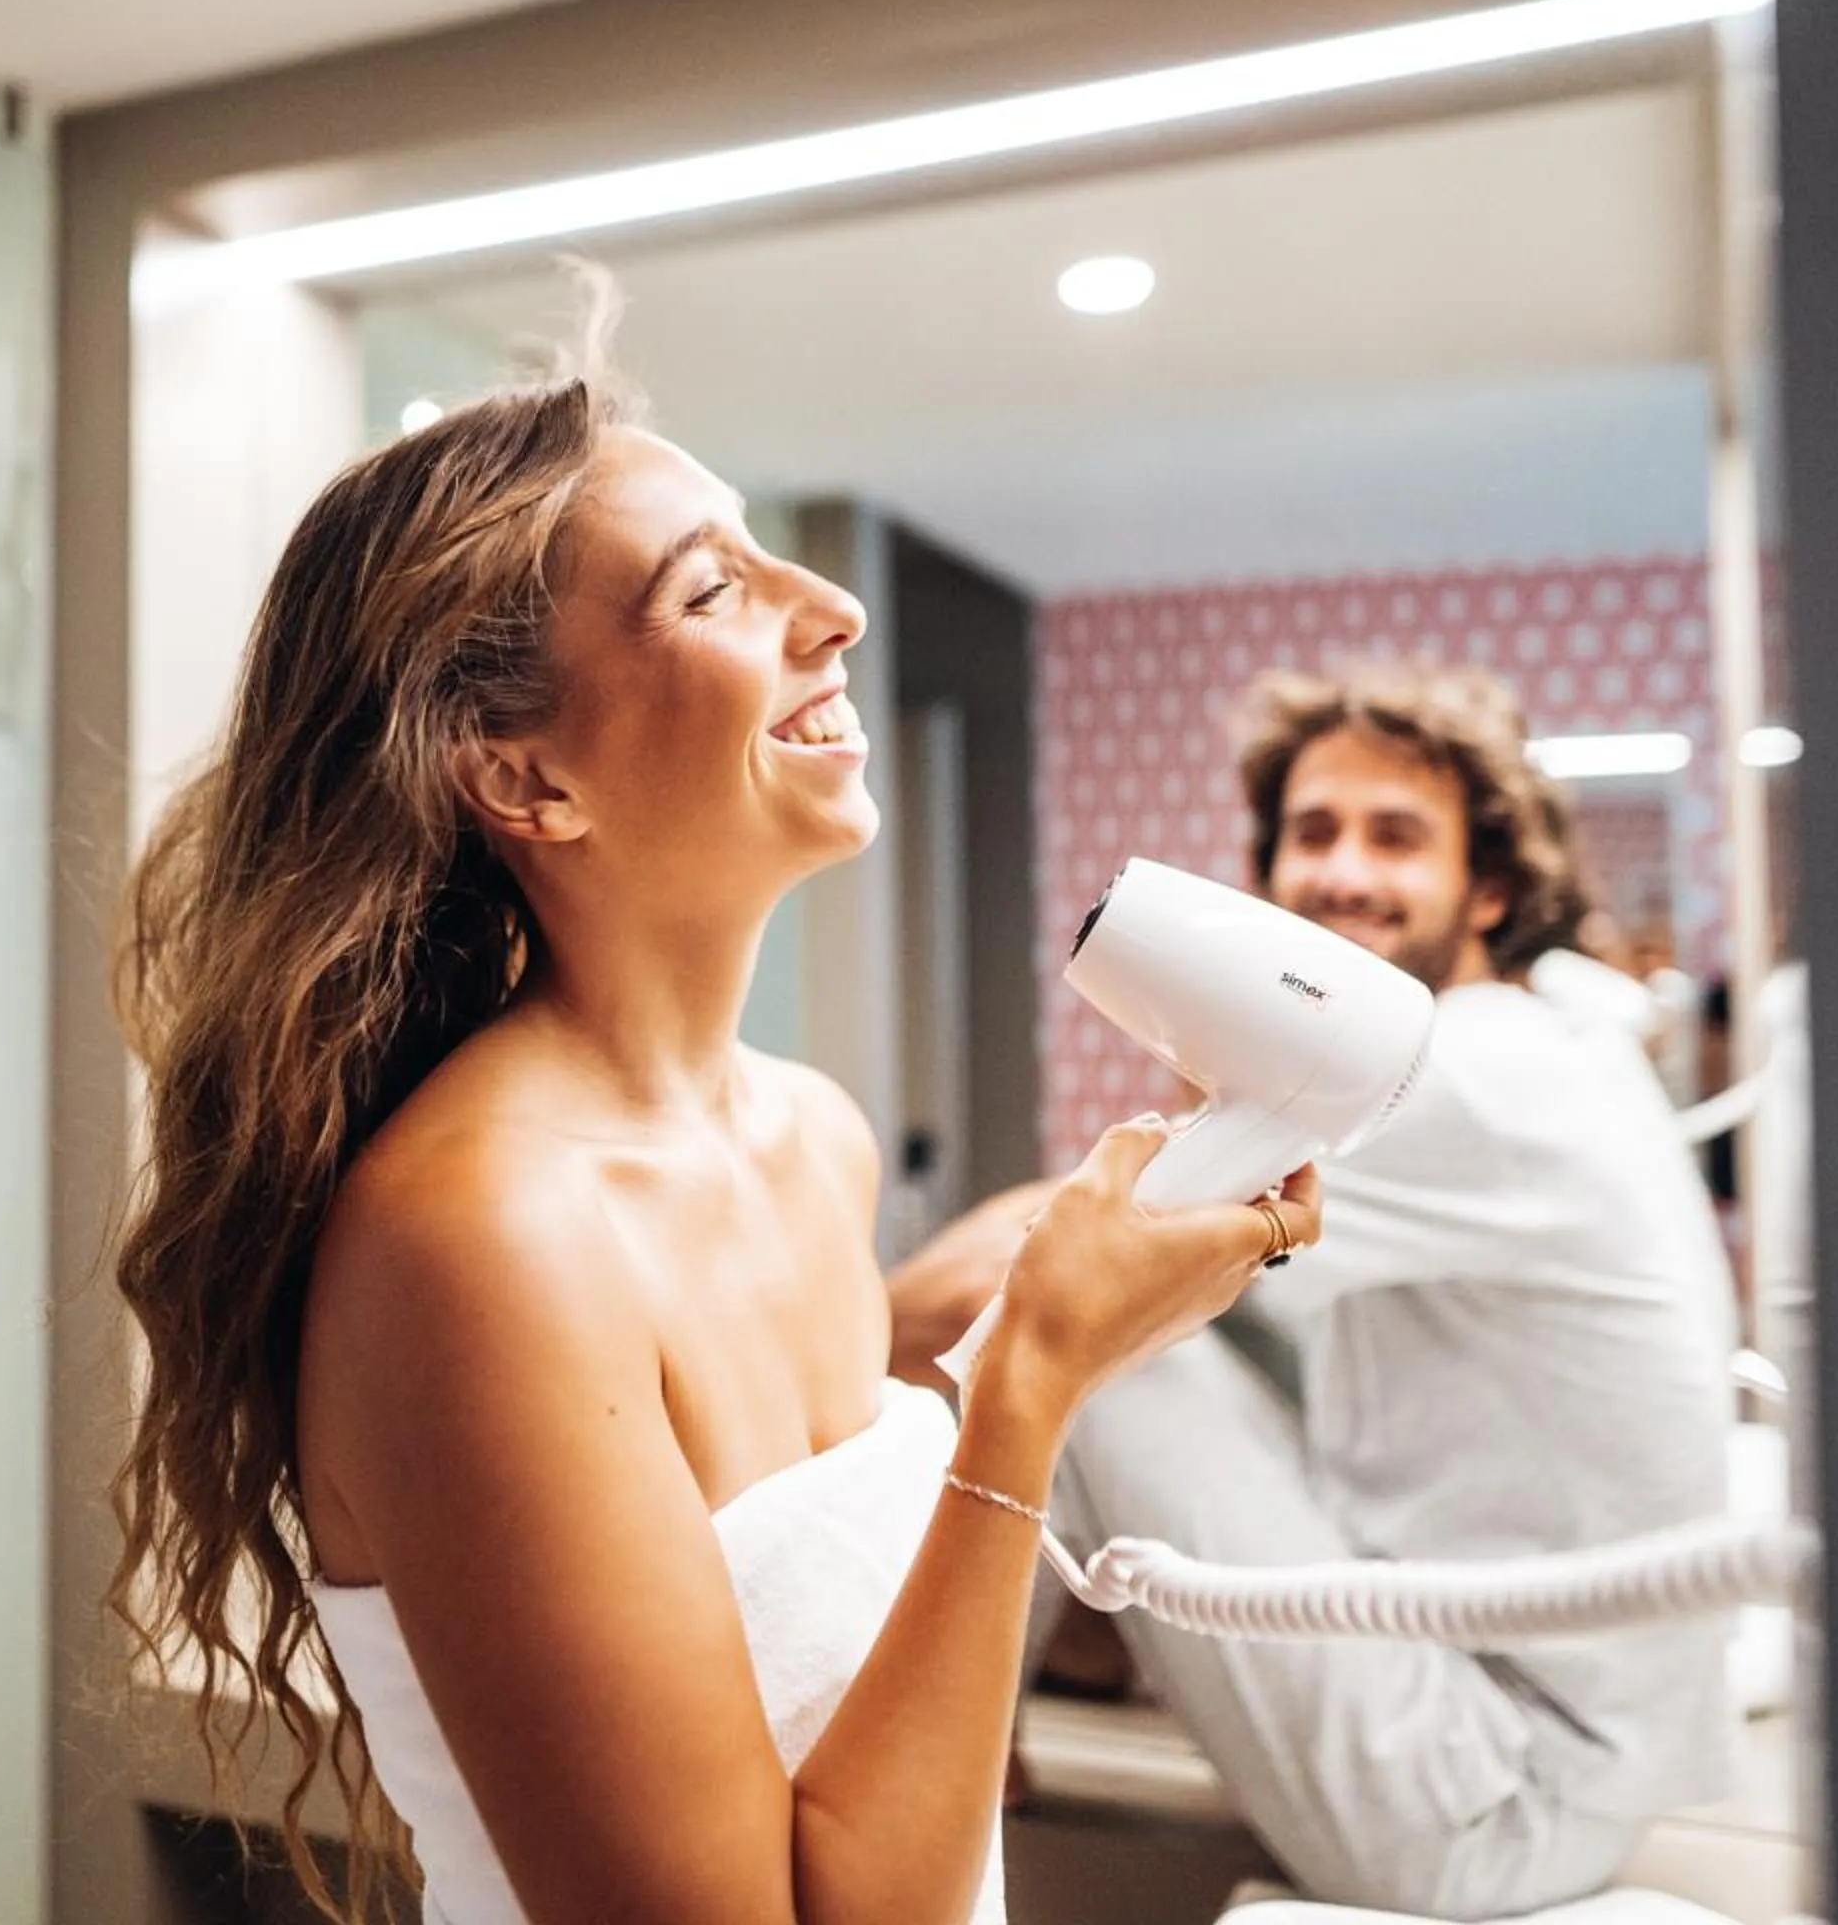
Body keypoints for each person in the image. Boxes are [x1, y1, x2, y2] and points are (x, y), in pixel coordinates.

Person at [106, 341, 1319, 1925]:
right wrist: (1031, 1384)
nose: (836, 607)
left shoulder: (817, 1140)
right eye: (709, 589)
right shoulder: (484, 1239)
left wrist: (1035, 1331)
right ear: (524, 777)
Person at [890, 666, 1739, 1920]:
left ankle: (920, 1781)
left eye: (1396, 837)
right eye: (1313, 831)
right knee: (1172, 1334)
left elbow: (1028, 1274)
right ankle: (998, 1701)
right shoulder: (1539, 1049)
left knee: (1091, 1349)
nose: (1343, 871)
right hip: (1531, 1739)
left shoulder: (1471, 1076)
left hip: (1494, 1793)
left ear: (1490, 890)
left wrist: (799, 1333)